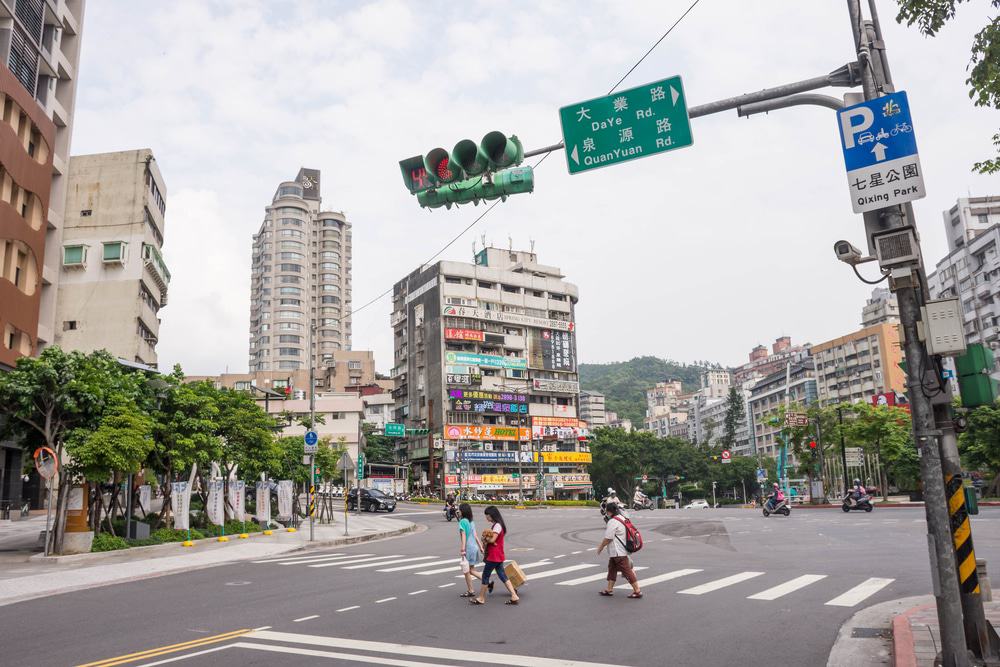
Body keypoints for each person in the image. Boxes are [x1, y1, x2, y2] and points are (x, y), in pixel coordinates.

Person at [470, 506, 519, 606]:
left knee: (485, 576)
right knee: (502, 575)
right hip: (498, 554)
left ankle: (481, 598)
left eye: (487, 515)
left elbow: (492, 540)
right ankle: (514, 596)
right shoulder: (497, 525)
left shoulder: (497, 526)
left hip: (494, 555)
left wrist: (484, 539)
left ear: (492, 515)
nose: (486, 517)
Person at [597, 503, 642, 599]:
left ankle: (637, 590)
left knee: (626, 571)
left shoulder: (613, 521)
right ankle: (609, 589)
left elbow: (608, 538)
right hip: (617, 551)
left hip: (618, 551)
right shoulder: (622, 517)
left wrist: (600, 547)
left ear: (609, 511)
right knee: (612, 568)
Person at [458, 502, 485, 597]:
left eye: (459, 510)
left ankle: (470, 590)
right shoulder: (471, 522)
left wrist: (462, 549)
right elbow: (475, 535)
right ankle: (488, 581)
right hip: (475, 547)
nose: (458, 511)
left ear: (463, 511)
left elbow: (464, 535)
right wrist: (481, 547)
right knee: (471, 570)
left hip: (468, 548)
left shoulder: (462, 522)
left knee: (466, 571)